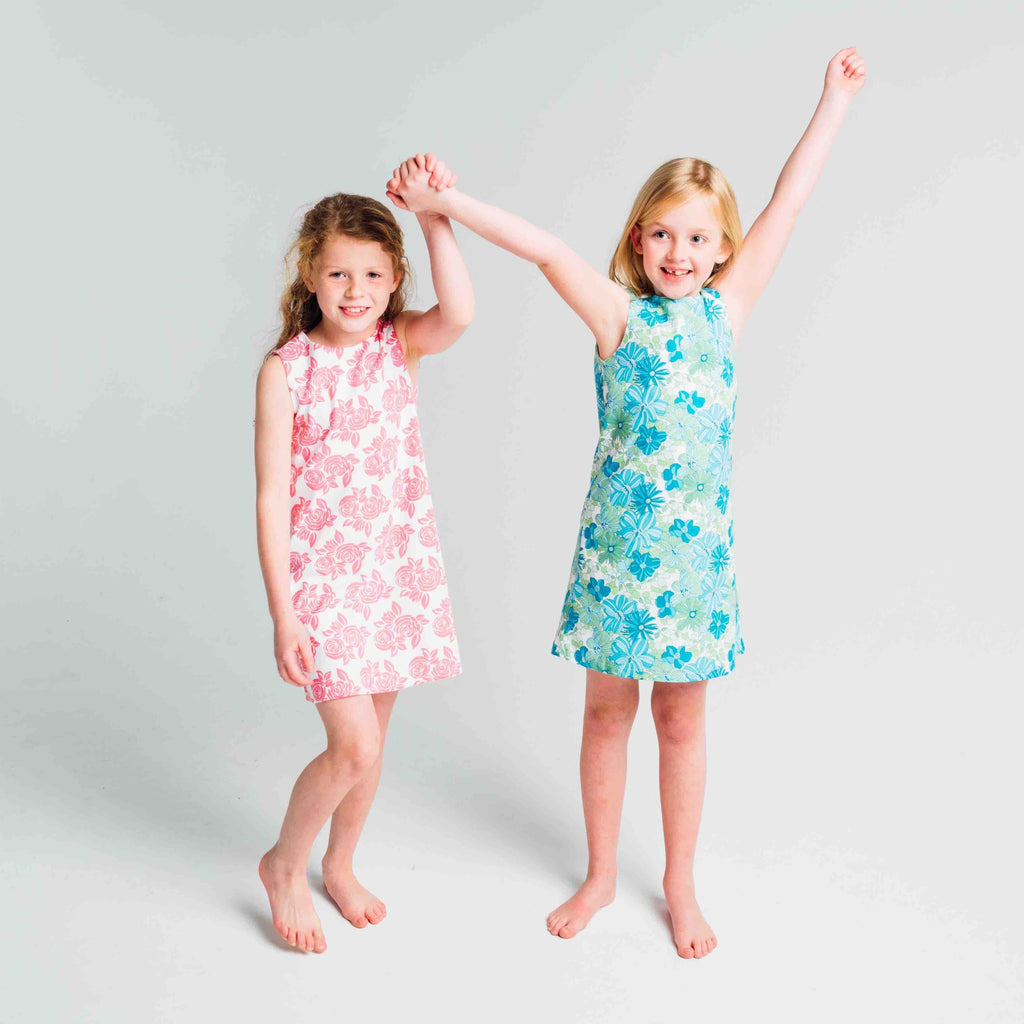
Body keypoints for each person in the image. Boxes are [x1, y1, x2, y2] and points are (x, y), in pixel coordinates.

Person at [386, 48, 866, 958]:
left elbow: (790, 200)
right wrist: (444, 205)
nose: (680, 254)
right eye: (663, 235)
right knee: (607, 713)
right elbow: (546, 250)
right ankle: (601, 873)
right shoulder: (617, 315)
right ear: (638, 240)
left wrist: (833, 99)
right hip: (616, 554)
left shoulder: (728, 310)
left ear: (723, 248)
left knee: (681, 720)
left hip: (695, 564)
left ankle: (680, 883)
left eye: (698, 239)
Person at [254, 163, 472, 953]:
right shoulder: (286, 371)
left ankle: (339, 864)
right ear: (311, 275)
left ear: (395, 279)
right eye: (339, 273)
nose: (355, 290)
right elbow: (270, 498)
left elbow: (462, 312)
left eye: (373, 275)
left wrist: (435, 214)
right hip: (325, 585)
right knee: (356, 745)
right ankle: (284, 863)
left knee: (373, 740)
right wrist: (284, 615)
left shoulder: (396, 345)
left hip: (395, 575)